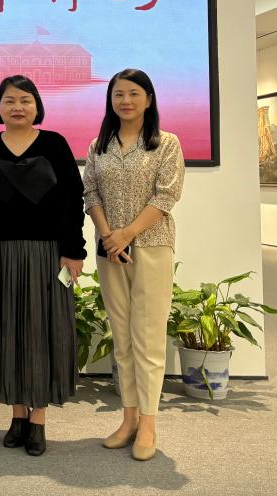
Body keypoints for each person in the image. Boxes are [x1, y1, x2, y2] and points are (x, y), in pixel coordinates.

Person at [0, 75, 85, 457]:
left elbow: (72, 199)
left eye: (25, 100)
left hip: (48, 254)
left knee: (44, 331)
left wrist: (74, 251)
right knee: (6, 330)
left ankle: (38, 419)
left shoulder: (54, 144)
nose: (17, 107)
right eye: (9, 100)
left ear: (37, 106)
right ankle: (17, 414)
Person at [82, 68, 184, 462]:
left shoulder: (166, 143)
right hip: (110, 250)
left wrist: (127, 234)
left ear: (149, 99)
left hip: (152, 246)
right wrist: (109, 235)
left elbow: (166, 196)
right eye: (118, 94)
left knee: (149, 337)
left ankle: (149, 423)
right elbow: (91, 193)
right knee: (122, 336)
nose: (125, 101)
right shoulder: (99, 145)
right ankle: (128, 419)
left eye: (134, 93)